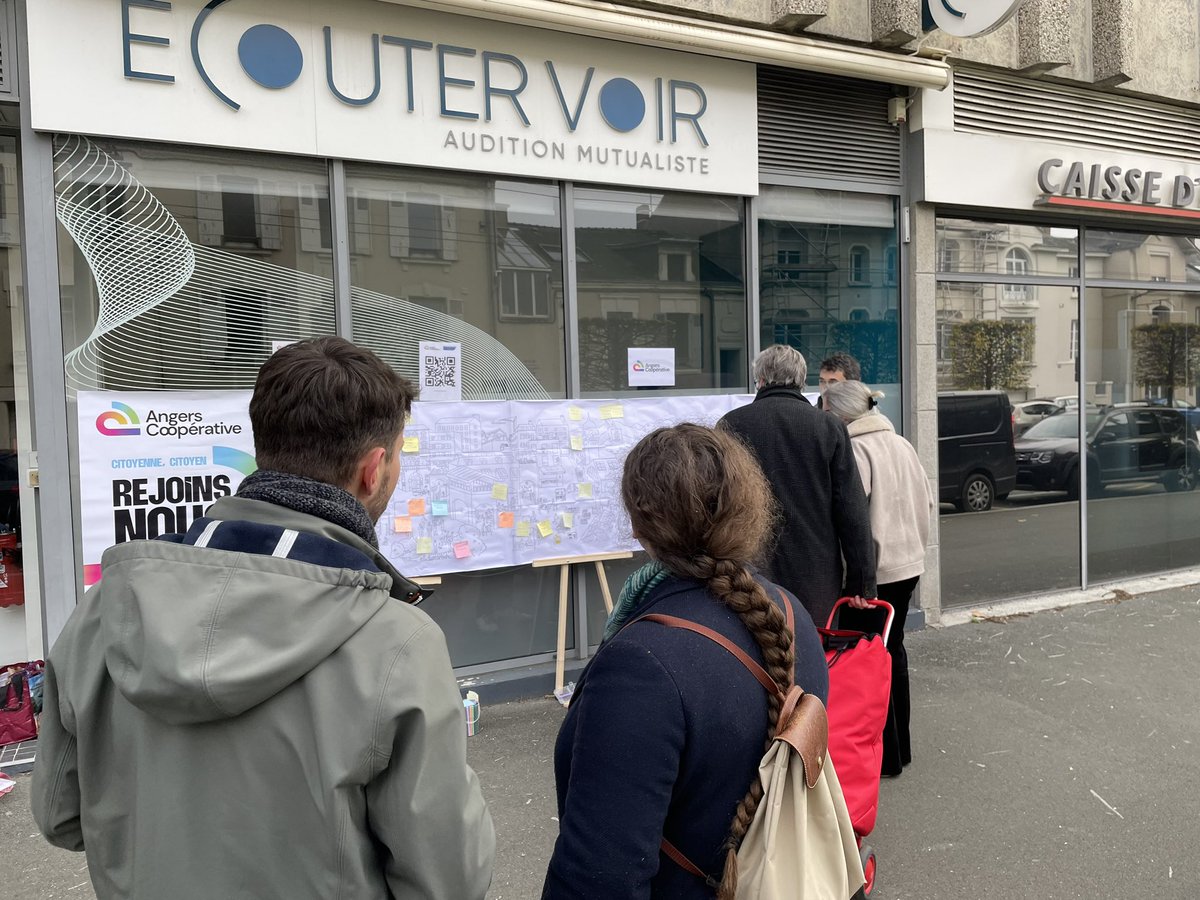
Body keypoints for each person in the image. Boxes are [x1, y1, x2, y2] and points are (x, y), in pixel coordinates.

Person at [32, 337, 495, 899]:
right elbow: (448, 878)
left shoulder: (106, 610)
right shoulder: (397, 641)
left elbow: (60, 815)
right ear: (374, 469)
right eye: (399, 452)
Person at [543, 424, 829, 900]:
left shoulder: (641, 664)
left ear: (639, 522)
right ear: (748, 507)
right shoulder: (791, 614)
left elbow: (598, 879)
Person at [718, 345, 877, 628]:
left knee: (757, 656)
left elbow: (720, 503)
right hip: (816, 575)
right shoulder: (829, 427)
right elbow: (851, 510)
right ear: (802, 381)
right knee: (814, 656)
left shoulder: (731, 425)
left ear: (761, 379)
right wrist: (861, 581)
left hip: (751, 571)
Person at [824, 379, 935, 778]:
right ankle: (899, 749)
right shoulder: (900, 443)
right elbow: (927, 499)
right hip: (908, 564)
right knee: (894, 651)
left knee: (867, 661)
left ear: (837, 413)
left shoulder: (856, 449)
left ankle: (880, 757)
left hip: (875, 572)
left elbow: (854, 520)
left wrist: (858, 579)